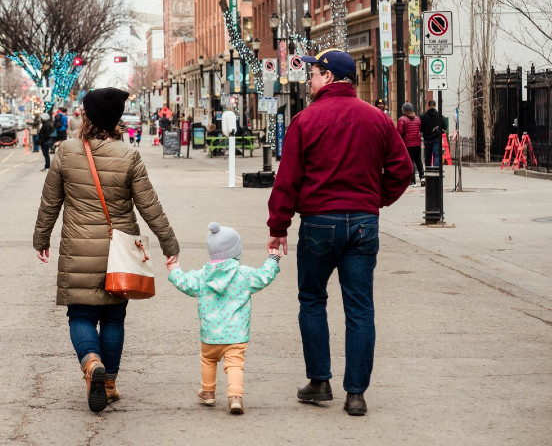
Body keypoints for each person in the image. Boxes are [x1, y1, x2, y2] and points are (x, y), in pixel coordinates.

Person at [267, 48, 412, 417]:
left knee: (312, 300)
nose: (309, 79)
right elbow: (402, 170)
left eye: (313, 73)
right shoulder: (377, 119)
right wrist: (375, 199)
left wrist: (278, 226)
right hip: (364, 222)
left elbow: (288, 179)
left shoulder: (305, 120)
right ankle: (356, 394)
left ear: (329, 77)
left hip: (319, 222)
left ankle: (319, 381)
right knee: (360, 308)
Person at [34, 87, 181, 413]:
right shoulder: (128, 156)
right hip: (120, 252)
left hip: (78, 250)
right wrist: (169, 245)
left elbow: (50, 204)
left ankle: (91, 363)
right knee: (114, 317)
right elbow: (150, 206)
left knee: (81, 314)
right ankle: (109, 382)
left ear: (86, 117)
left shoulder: (66, 151)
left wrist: (41, 240)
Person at [168, 222, 281, 414]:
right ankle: (235, 396)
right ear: (236, 251)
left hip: (210, 334)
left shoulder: (203, 275)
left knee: (208, 360)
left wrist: (174, 268)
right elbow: (263, 276)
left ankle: (208, 392)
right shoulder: (244, 274)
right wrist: (272, 259)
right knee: (235, 364)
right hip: (236, 335)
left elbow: (184, 282)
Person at [397, 102, 424, 186]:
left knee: (410, 162)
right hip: (417, 143)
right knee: (418, 161)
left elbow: (400, 132)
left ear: (404, 110)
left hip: (408, 144)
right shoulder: (417, 119)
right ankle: (422, 177)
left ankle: (413, 181)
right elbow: (419, 129)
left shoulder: (402, 119)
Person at [420, 99, 444, 168]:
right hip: (436, 138)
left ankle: (428, 170)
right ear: (435, 106)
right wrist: (440, 133)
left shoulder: (423, 116)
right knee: (436, 155)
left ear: (428, 106)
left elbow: (421, 128)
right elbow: (444, 126)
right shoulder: (439, 116)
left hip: (427, 138)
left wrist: (424, 132)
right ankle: (436, 171)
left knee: (428, 155)